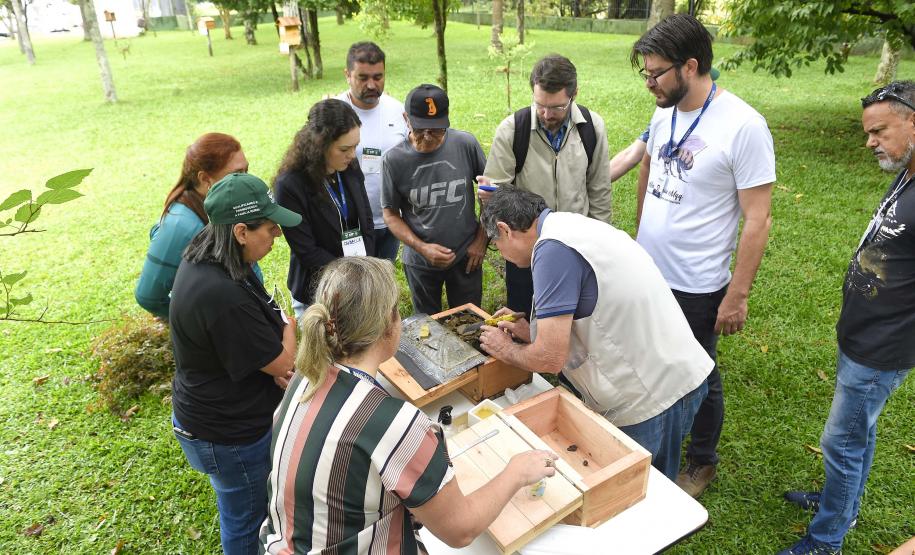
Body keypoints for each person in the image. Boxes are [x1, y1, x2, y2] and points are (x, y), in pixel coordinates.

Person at [259, 256, 558, 554]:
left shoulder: (306, 377)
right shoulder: (393, 422)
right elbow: (461, 529)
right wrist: (517, 472)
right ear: (389, 325)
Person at [631, 13, 775, 497]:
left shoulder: (744, 126)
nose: (649, 82)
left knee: (699, 373)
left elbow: (758, 219)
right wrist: (640, 237)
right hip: (650, 270)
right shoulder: (664, 110)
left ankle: (701, 461)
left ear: (690, 66)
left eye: (656, 73)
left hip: (698, 283)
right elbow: (648, 168)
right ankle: (654, 438)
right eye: (645, 73)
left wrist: (738, 295)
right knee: (653, 359)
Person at [477, 187, 712, 480]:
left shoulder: (552, 251)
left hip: (652, 399)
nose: (501, 254)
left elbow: (550, 359)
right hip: (676, 371)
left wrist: (506, 349)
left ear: (504, 230)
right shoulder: (569, 226)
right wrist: (532, 331)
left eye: (496, 245)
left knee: (639, 492)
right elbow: (590, 306)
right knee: (652, 483)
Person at [777, 81, 915, 555]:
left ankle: (827, 538)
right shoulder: (907, 173)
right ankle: (842, 503)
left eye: (880, 131)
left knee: (840, 440)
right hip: (861, 334)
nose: (870, 142)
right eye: (868, 132)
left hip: (882, 347)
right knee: (860, 431)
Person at [169, 172, 301, 555]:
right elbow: (285, 362)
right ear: (241, 231)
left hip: (215, 413)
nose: (277, 236)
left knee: (241, 506)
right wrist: (289, 327)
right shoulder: (222, 295)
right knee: (247, 520)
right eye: (271, 229)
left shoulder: (213, 249)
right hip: (229, 433)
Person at [480, 54, 612, 316]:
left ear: (574, 94)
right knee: (523, 319)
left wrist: (600, 245)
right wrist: (491, 194)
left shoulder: (592, 127)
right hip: (526, 254)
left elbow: (599, 190)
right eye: (540, 105)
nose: (547, 114)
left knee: (576, 321)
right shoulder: (512, 130)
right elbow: (498, 197)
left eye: (557, 107)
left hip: (577, 247)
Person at [382, 84, 488, 314]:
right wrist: (422, 248)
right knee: (427, 325)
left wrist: (481, 241)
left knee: (469, 319)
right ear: (406, 119)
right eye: (420, 129)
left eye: (437, 129)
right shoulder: (394, 160)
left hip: (466, 255)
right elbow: (390, 214)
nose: (428, 136)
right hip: (420, 261)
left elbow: (490, 194)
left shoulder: (465, 144)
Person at [135, 132, 260, 318]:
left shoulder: (228, 202)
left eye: (245, 171)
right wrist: (198, 323)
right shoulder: (179, 226)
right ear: (205, 179)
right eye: (235, 174)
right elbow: (148, 297)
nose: (246, 182)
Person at [274, 99, 375, 318]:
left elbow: (366, 217)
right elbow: (306, 250)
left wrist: (364, 266)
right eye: (344, 149)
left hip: (357, 280)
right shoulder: (290, 185)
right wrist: (350, 275)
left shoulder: (349, 165)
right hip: (318, 290)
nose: (352, 154)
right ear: (320, 145)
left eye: (355, 146)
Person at [337, 41, 408, 262]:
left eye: (378, 77)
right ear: (347, 75)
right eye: (363, 78)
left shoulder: (398, 110)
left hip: (391, 219)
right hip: (349, 224)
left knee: (383, 275)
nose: (371, 85)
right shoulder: (334, 112)